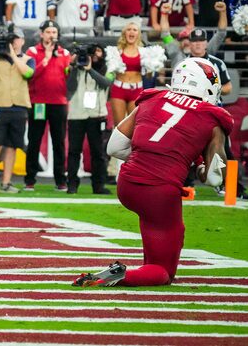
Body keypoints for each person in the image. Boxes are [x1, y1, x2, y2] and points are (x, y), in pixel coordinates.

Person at [74, 58, 232, 287]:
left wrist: (148, 158)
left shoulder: (153, 98)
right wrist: (194, 165)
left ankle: (147, 264)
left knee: (151, 222)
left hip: (127, 183)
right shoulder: (212, 118)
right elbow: (216, 177)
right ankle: (120, 274)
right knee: (163, 272)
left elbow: (114, 147)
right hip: (160, 192)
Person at [0, 27, 34, 193]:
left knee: (12, 146)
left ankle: (6, 182)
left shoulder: (28, 59)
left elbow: (28, 74)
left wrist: (12, 55)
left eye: (16, 39)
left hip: (19, 106)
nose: (13, 42)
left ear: (22, 41)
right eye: (11, 39)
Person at [24, 20, 71, 192]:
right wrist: (46, 59)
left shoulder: (65, 53)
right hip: (38, 103)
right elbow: (30, 75)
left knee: (58, 142)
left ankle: (61, 180)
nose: (51, 35)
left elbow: (68, 77)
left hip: (58, 103)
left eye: (54, 32)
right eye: (48, 32)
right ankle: (30, 180)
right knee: (34, 141)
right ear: (42, 34)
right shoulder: (32, 52)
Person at [65, 45, 112, 195]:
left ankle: (99, 185)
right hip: (76, 114)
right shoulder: (75, 68)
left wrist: (89, 69)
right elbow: (69, 87)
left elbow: (105, 83)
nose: (95, 55)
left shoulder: (107, 67)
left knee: (98, 152)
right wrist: (74, 66)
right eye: (93, 53)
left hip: (96, 115)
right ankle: (72, 185)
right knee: (73, 151)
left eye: (99, 51)